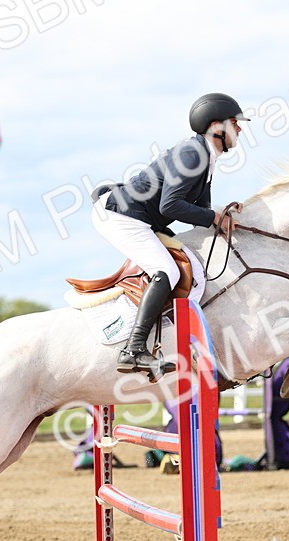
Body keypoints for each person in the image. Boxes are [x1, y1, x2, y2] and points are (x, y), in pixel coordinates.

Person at [92, 92, 248, 376]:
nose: (239, 128)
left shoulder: (206, 157)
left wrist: (220, 213)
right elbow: (171, 205)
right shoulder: (192, 154)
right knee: (166, 270)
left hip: (140, 217)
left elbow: (199, 210)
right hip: (122, 216)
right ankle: (133, 349)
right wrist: (212, 216)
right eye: (234, 122)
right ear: (216, 126)